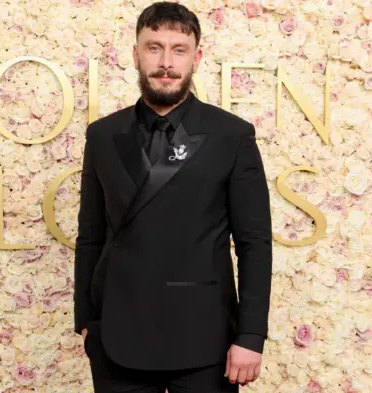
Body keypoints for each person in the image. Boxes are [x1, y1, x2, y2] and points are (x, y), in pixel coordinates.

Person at [73, 2, 273, 392]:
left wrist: (251, 336)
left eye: (178, 50)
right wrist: (86, 320)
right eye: (154, 47)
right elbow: (90, 236)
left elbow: (254, 243)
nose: (166, 62)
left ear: (196, 58)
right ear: (135, 54)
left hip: (206, 336)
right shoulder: (102, 136)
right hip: (118, 335)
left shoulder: (231, 135)